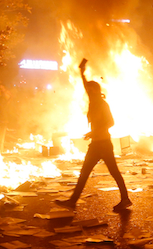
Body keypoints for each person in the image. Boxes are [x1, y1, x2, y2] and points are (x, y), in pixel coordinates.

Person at [55, 58, 132, 212]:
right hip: (96, 144)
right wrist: (81, 72)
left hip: (103, 144)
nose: (89, 91)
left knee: (114, 173)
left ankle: (125, 199)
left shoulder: (102, 104)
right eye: (88, 90)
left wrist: (93, 132)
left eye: (92, 89)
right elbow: (85, 85)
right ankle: (73, 201)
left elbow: (111, 122)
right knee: (84, 173)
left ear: (97, 90)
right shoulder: (93, 101)